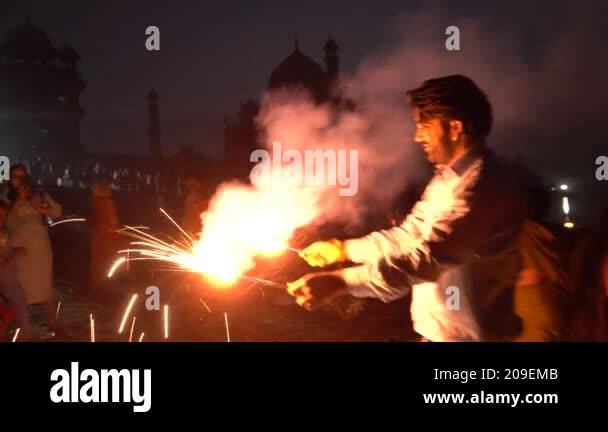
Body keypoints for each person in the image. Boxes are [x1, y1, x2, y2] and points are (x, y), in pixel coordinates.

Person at [288, 75, 527, 342]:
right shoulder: (449, 179)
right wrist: (343, 249)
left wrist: (340, 282)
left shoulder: (481, 187)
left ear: (455, 127)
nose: (417, 136)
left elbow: (426, 260)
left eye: (424, 126)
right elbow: (408, 236)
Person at [7, 164, 62, 333]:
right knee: (20, 288)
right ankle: (20, 325)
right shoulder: (6, 197)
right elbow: (8, 223)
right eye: (15, 176)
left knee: (44, 286)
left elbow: (57, 212)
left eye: (22, 176)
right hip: (21, 248)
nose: (19, 180)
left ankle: (53, 323)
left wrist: (42, 208)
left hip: (40, 248)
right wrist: (18, 201)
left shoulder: (38, 193)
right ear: (10, 179)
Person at [0, 200, 33, 340]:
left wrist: (15, 251)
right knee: (18, 302)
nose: (2, 218)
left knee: (13, 306)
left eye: (4, 215)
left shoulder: (4, 230)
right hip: (5, 277)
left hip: (8, 275)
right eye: (0, 214)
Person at [90, 180, 121, 293]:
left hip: (104, 237)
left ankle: (101, 288)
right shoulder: (105, 202)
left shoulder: (103, 203)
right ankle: (102, 287)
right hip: (104, 236)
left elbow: (111, 222)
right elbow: (113, 222)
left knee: (102, 263)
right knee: (104, 263)